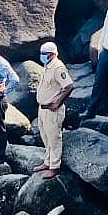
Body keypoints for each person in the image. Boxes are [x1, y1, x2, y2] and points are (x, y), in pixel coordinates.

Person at [34, 41, 74, 178]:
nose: (42, 56)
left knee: (54, 138)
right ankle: (47, 161)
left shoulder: (58, 68)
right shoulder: (47, 66)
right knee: (45, 136)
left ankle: (55, 166)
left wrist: (58, 102)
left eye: (44, 54)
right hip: (43, 108)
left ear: (52, 55)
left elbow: (68, 86)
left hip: (52, 110)